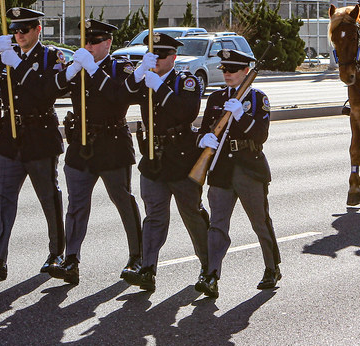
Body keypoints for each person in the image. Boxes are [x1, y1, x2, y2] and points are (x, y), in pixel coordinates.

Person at [0, 7, 66, 281]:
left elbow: (48, 90)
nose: (18, 35)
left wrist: (19, 64)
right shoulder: (4, 56)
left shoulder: (51, 57)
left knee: (49, 198)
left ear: (37, 30)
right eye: (15, 30)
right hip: (10, 139)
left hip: (40, 136)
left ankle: (56, 253)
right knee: (4, 200)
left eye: (24, 30)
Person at [49, 19, 143, 286]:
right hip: (80, 145)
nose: (88, 46)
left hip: (111, 143)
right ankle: (72, 259)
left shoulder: (120, 66)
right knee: (76, 205)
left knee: (122, 200)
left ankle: (137, 256)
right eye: (86, 41)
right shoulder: (78, 65)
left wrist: (92, 69)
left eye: (94, 42)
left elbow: (119, 95)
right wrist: (69, 72)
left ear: (108, 43)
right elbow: (51, 91)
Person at [126, 33, 209, 293]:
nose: (155, 60)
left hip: (181, 160)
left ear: (173, 57)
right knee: (154, 217)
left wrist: (159, 88)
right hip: (153, 159)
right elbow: (119, 96)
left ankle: (209, 268)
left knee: (192, 215)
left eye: (160, 56)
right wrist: (137, 75)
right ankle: (148, 268)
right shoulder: (144, 80)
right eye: (151, 55)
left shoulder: (186, 81)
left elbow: (186, 112)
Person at [194, 49, 279, 299]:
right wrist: (202, 139)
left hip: (248, 168)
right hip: (221, 168)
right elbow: (205, 128)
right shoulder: (216, 98)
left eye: (232, 70)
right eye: (224, 70)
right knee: (217, 225)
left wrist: (241, 116)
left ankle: (272, 268)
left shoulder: (257, 99)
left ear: (245, 72)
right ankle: (211, 275)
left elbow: (261, 135)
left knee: (259, 221)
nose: (227, 74)